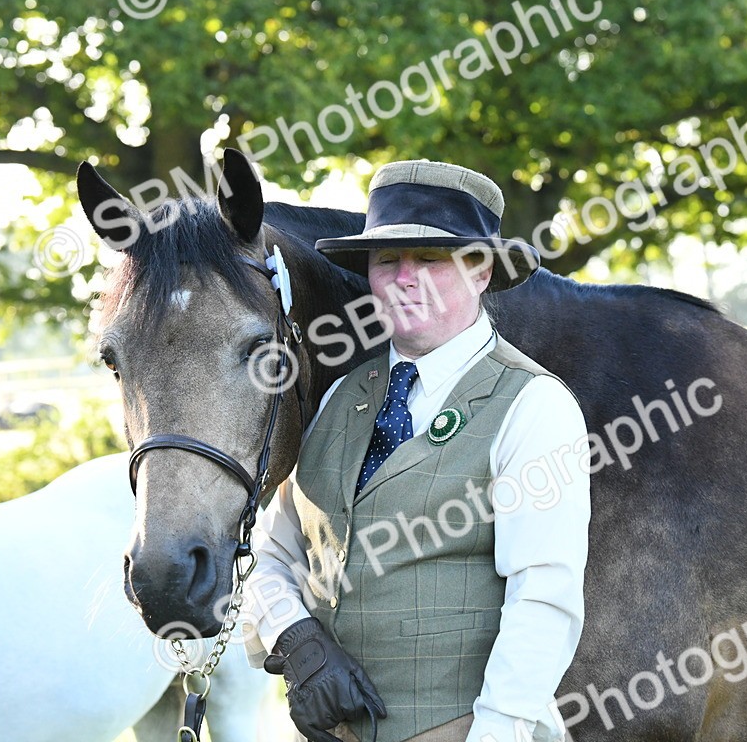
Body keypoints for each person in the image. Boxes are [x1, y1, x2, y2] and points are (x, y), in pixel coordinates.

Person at [241, 161, 590, 742]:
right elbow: (272, 555)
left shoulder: (535, 407)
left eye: (429, 259)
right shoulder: (334, 400)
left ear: (480, 270)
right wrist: (296, 639)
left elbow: (545, 602)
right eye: (386, 261)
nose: (404, 278)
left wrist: (496, 734)